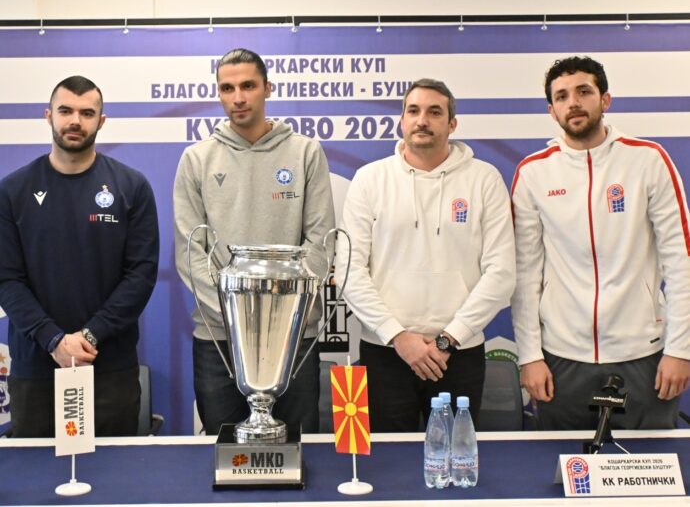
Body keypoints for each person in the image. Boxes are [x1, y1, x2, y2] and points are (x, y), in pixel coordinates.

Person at [511, 56, 690, 430]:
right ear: (552, 111)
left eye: (583, 91)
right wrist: (529, 356)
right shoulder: (533, 172)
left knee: (649, 465)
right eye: (561, 96)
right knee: (565, 463)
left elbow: (681, 261)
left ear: (605, 99)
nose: (573, 102)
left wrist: (680, 349)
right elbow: (525, 274)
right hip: (561, 358)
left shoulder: (648, 160)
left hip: (643, 355)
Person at [335, 78, 516, 431]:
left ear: (452, 123)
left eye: (435, 112)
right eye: (413, 111)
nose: (422, 120)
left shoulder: (485, 179)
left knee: (454, 457)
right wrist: (398, 337)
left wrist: (449, 339)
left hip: (458, 354)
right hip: (385, 351)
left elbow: (501, 273)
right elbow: (349, 271)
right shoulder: (369, 179)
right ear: (401, 120)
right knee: (386, 462)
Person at [174, 48, 335, 435]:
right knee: (225, 451)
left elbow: (319, 244)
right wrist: (238, 317)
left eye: (248, 86)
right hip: (220, 338)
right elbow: (191, 252)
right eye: (227, 88)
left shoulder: (305, 153)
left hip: (293, 336)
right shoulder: (197, 159)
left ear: (267, 88)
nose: (238, 97)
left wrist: (281, 316)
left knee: (297, 449)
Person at [0, 75, 159, 437]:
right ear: (48, 116)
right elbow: (7, 279)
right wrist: (54, 340)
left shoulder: (131, 187)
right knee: (36, 473)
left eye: (87, 113)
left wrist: (89, 336)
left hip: (110, 368)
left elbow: (140, 276)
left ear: (101, 121)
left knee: (112, 471)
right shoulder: (12, 191)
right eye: (65, 111)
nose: (75, 120)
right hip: (36, 368)